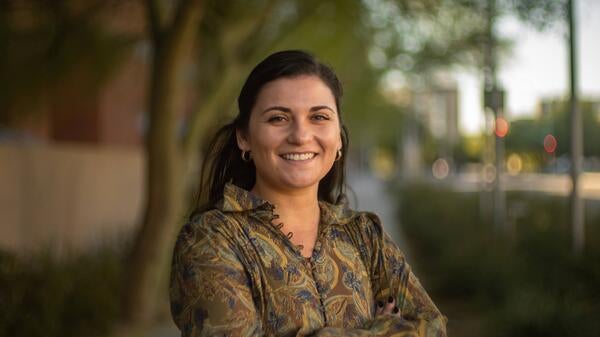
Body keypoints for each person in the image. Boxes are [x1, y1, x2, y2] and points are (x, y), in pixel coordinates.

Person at [169, 50, 447, 337]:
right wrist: (379, 330)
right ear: (244, 137)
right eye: (277, 118)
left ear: (338, 136)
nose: (301, 135)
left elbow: (432, 327)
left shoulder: (364, 235)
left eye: (319, 116)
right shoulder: (212, 240)